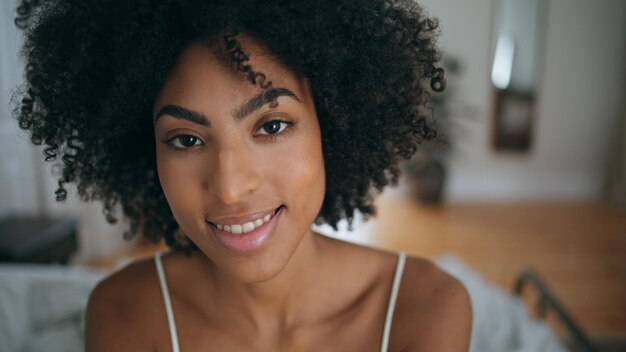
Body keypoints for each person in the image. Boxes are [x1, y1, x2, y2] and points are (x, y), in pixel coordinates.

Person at [14, 0, 472, 350]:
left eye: (272, 126)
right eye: (186, 139)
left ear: (331, 126)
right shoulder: (125, 313)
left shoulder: (425, 308)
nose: (230, 188)